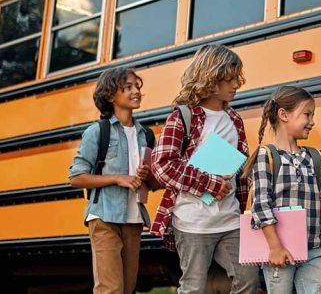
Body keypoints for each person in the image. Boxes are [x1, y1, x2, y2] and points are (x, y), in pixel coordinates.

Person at [150, 44, 259, 294]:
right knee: (193, 288)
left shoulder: (235, 119)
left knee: (249, 279)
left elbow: (239, 168)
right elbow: (162, 165)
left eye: (236, 78)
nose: (235, 85)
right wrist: (210, 184)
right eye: (229, 79)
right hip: (193, 223)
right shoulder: (184, 117)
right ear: (210, 78)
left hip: (230, 218)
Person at [242, 86, 321, 294]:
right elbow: (261, 204)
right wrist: (274, 247)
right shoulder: (268, 155)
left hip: (313, 250)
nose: (312, 121)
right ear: (283, 115)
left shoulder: (314, 157)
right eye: (307, 114)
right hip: (280, 250)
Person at [69, 67, 153, 294]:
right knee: (110, 289)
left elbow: (154, 182)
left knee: (127, 289)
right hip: (104, 217)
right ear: (110, 95)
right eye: (128, 87)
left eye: (137, 86)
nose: (136, 91)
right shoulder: (98, 131)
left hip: (134, 219)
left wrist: (148, 177)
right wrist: (117, 178)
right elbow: (76, 177)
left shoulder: (146, 134)